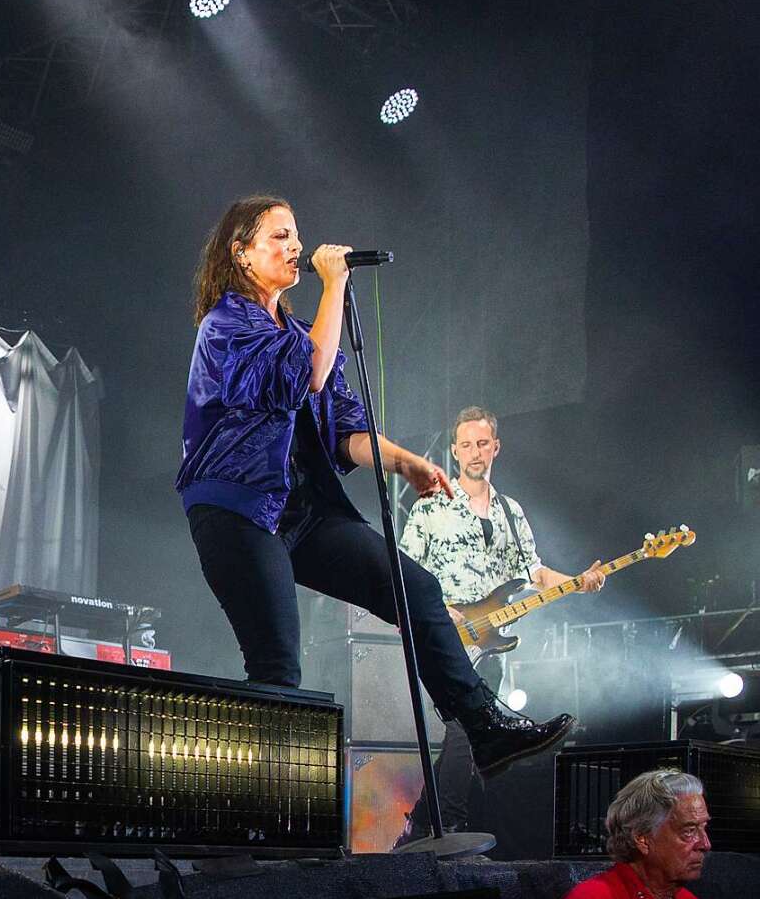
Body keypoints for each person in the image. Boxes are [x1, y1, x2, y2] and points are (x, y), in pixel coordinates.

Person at [175, 195, 575, 781]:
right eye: (280, 236)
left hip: (304, 512)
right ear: (241, 253)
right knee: (277, 661)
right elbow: (307, 372)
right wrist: (334, 285)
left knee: (413, 585)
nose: (296, 247)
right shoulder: (227, 324)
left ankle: (483, 727)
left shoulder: (307, 333)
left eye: (297, 234)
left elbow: (346, 431)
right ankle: (261, 807)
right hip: (237, 509)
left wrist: (406, 462)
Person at [395, 405, 605, 847]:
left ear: (496, 448)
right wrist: (442, 613)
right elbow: (402, 573)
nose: (474, 452)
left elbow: (535, 572)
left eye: (482, 443)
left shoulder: (511, 511)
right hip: (444, 635)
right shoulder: (430, 508)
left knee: (471, 731)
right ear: (454, 451)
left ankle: (421, 825)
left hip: (490, 644)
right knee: (467, 726)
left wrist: (578, 582)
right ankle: (445, 826)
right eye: (466, 444)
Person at [563, 769, 710, 899]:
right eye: (689, 831)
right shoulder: (593, 895)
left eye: (704, 827)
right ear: (642, 839)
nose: (705, 844)